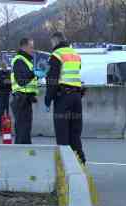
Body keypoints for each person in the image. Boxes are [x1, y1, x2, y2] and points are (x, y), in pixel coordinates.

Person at [45, 32, 86, 164]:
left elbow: (52, 80)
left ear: (55, 42)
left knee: (62, 134)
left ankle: (65, 166)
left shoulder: (56, 55)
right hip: (76, 98)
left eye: (52, 43)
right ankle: (80, 163)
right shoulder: (75, 54)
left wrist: (47, 100)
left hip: (63, 98)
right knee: (75, 133)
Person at [11, 38, 41, 144]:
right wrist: (34, 73)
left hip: (25, 100)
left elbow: (28, 79)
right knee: (23, 130)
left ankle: (24, 154)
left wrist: (36, 76)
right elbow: (21, 81)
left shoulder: (27, 61)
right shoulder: (19, 60)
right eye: (31, 47)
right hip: (21, 99)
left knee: (24, 129)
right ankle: (21, 155)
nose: (33, 49)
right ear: (23, 47)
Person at [0, 62, 11, 127]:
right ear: (1, 67)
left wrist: (9, 83)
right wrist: (3, 83)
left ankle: (8, 127)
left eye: (5, 67)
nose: (4, 68)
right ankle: (1, 127)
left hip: (8, 94)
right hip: (0, 94)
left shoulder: (9, 73)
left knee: (8, 111)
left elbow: (12, 83)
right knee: (1, 111)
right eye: (3, 67)